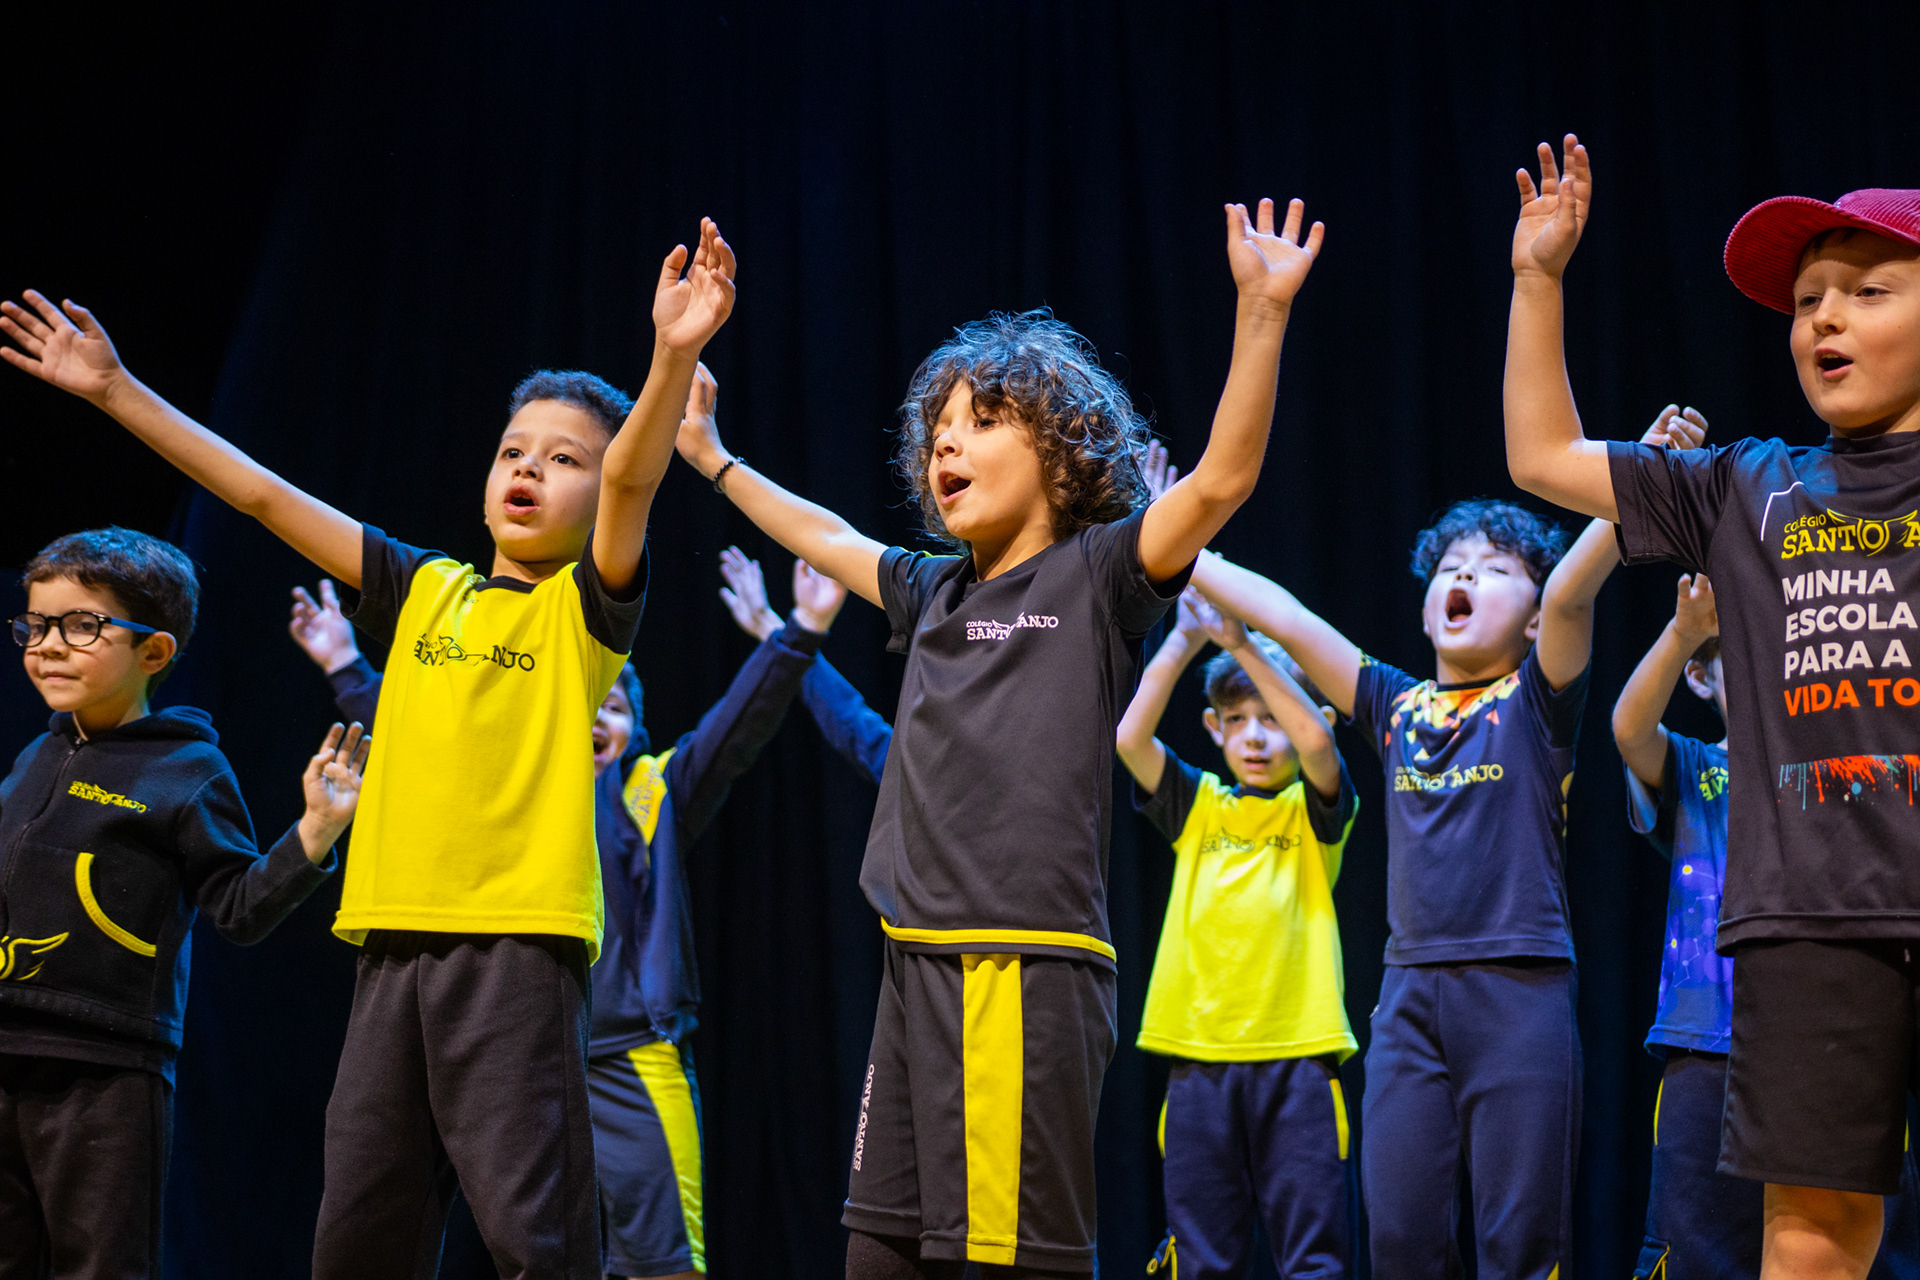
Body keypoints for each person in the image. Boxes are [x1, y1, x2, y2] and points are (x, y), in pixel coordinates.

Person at [0, 216, 734, 1278]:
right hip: (390, 947)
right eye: (513, 450)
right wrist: (116, 391)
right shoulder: (424, 587)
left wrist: (672, 353)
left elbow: (633, 484)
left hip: (514, 952)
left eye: (563, 458)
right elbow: (260, 493)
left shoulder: (584, 610)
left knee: (537, 1240)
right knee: (358, 1237)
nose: (529, 468)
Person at [673, 194, 1324, 1277]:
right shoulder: (931, 589)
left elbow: (1221, 480)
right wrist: (711, 457)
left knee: (1007, 1260)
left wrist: (1261, 311)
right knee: (879, 1256)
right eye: (939, 430)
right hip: (914, 962)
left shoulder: (1100, 574)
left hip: (1020, 966)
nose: (947, 442)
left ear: (1062, 456)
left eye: (981, 422)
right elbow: (828, 534)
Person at [1502, 134, 1920, 1280]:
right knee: (1813, 1231)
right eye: (1809, 300)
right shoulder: (1751, 484)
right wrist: (1539, 278)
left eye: (1868, 292)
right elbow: (1542, 454)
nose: (1825, 317)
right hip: (1809, 920)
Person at [1184, 404, 1703, 1280]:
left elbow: (1573, 592)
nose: (1465, 576)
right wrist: (1172, 535)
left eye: (1496, 570)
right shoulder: (1393, 704)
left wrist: (1632, 481)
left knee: (1519, 1244)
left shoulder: (1537, 701)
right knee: (1400, 1241)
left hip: (1519, 992)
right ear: (1428, 611)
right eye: (1452, 568)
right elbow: (1286, 615)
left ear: (1532, 621)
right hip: (1410, 997)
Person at [289, 539, 848, 1280]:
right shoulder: (501, 789)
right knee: (517, 1242)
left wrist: (800, 630)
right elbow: (418, 733)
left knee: (662, 1263)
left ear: (633, 729)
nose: (596, 720)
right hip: (517, 1047)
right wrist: (342, 663)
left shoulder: (650, 794)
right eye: (589, 704)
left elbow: (736, 728)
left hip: (627, 1058)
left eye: (613, 708)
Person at [0, 526, 366, 1278]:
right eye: (35, 625)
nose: (49, 646)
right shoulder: (37, 755)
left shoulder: (188, 769)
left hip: (105, 1065)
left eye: (81, 625)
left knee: (101, 1264)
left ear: (154, 651)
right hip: (8, 1047)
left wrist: (315, 831)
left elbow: (239, 908)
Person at [1615, 573, 1920, 1280]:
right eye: (1747, 653)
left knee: (1862, 1246)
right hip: (1708, 1044)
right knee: (1697, 1245)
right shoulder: (1698, 768)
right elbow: (1629, 729)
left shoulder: (1848, 767)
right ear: (1702, 678)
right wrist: (1685, 631)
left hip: (1843, 1041)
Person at [1114, 582, 1358, 1279]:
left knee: (1314, 1257)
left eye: (1272, 718)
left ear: (1308, 718)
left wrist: (1242, 645)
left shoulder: (1314, 811)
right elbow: (1129, 737)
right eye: (1237, 719)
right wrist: (1185, 639)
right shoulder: (1199, 805)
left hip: (1299, 1061)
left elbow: (1318, 744)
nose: (1255, 735)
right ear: (1214, 727)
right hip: (1198, 1061)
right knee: (1202, 1257)